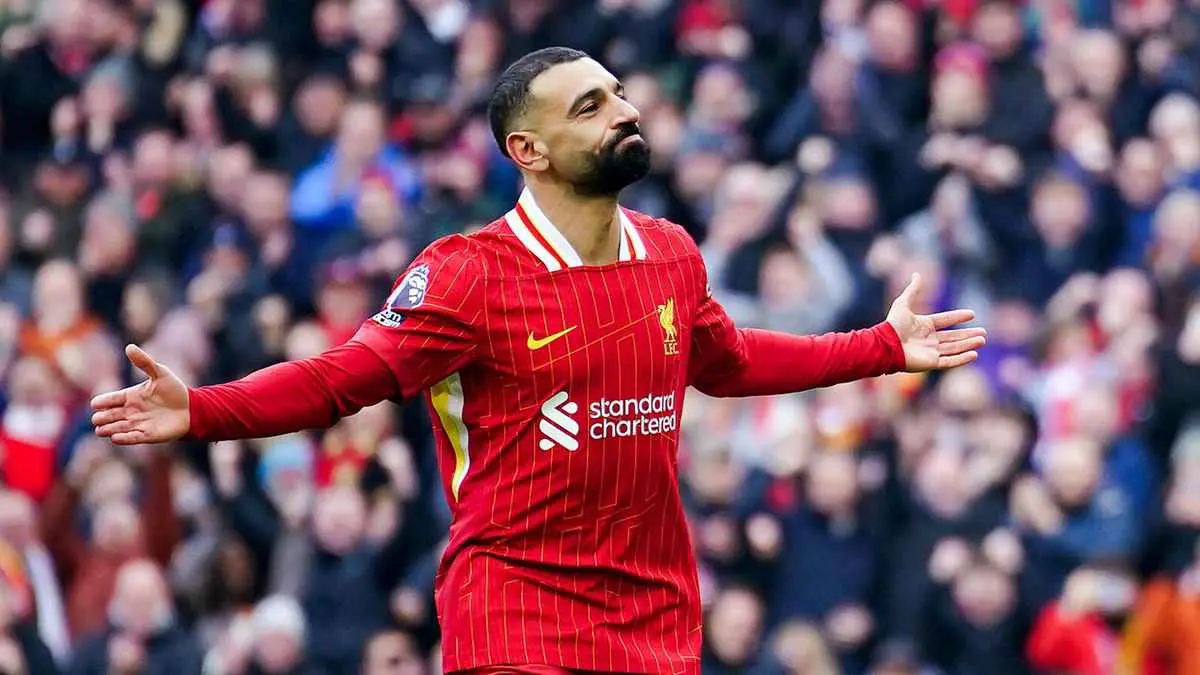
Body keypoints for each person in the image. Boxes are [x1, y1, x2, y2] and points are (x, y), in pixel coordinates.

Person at [89, 47, 987, 675]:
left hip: (653, 611)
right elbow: (340, 377)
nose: (624, 111)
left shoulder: (671, 252)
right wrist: (202, 408)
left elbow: (726, 360)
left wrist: (881, 346)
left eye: (619, 94)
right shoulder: (467, 273)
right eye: (590, 107)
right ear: (529, 151)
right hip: (513, 605)